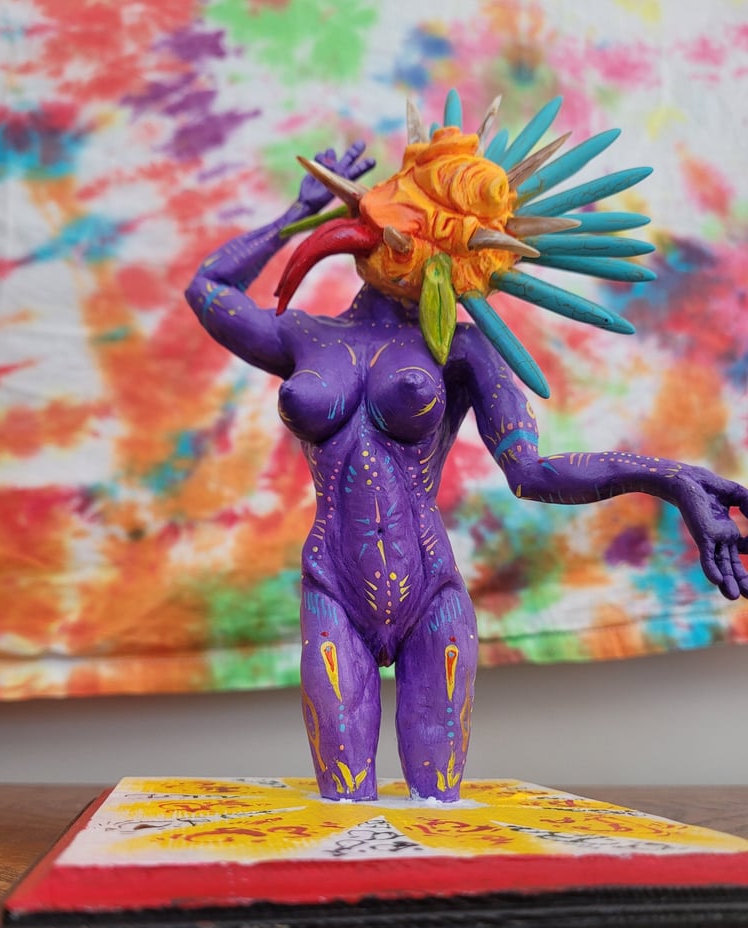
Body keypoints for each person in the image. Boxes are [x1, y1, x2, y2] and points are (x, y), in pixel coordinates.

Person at [186, 94, 748, 803]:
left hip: (433, 598)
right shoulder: (304, 337)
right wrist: (296, 214)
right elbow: (208, 290)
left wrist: (669, 477)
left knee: (437, 812)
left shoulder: (465, 350)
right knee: (342, 806)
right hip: (332, 585)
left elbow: (533, 471)